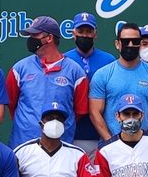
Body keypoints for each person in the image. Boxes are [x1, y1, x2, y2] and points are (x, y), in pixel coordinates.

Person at [6, 15, 91, 148]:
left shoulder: (75, 72)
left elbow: (79, 111)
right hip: (23, 146)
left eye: (35, 35)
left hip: (60, 148)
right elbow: (11, 105)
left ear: (49, 38)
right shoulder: (19, 69)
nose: (31, 39)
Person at [89, 23, 148, 140]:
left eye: (135, 41)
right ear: (117, 44)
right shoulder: (102, 75)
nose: (130, 45)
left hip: (144, 146)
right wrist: (110, 142)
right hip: (110, 145)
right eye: (126, 41)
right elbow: (95, 112)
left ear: (140, 44)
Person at [64, 12, 117, 153]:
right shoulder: (64, 60)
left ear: (95, 34)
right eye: (81, 31)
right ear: (73, 33)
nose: (85, 35)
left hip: (101, 133)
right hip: (72, 133)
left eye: (89, 31)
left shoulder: (109, 60)